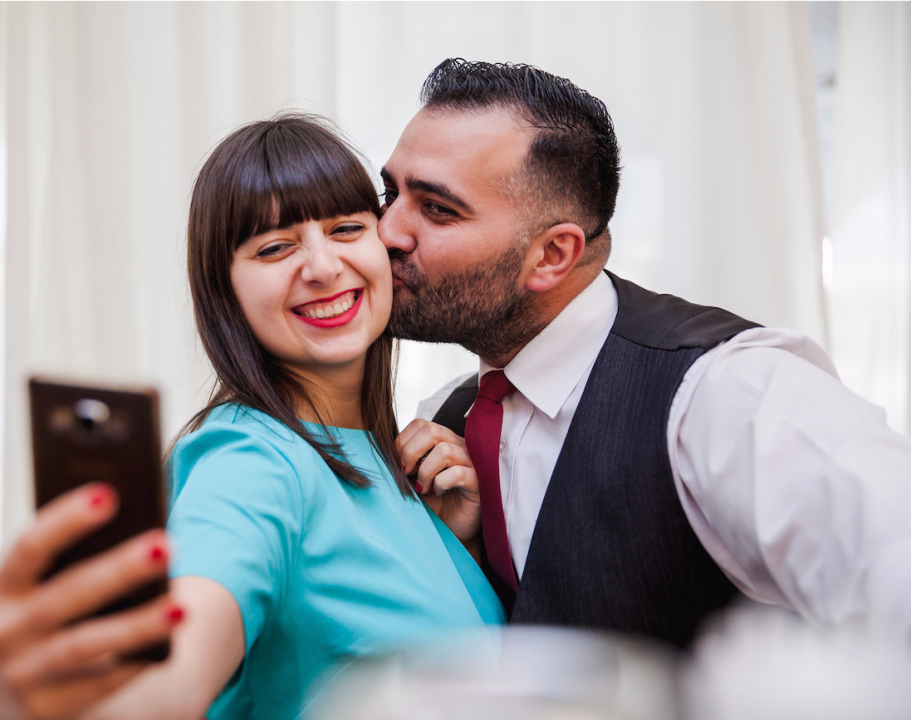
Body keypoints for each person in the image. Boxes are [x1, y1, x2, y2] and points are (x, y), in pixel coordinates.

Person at [0, 114, 503, 720]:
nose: (323, 266)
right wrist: (64, 697)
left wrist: (459, 544)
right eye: (275, 248)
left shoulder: (391, 460)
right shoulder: (250, 457)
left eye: (346, 228)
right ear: (225, 290)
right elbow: (185, 650)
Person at [383, 59, 911, 647]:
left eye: (436, 208)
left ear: (553, 255)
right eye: (391, 192)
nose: (386, 231)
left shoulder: (726, 393)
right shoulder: (448, 418)